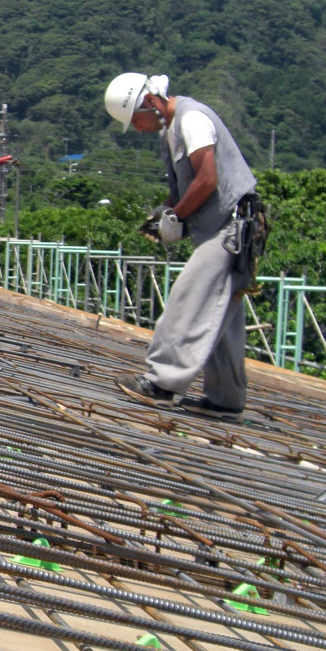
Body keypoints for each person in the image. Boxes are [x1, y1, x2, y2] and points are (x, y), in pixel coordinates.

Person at [105, 72, 266, 420]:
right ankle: (226, 400)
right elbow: (185, 187)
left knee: (188, 298)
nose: (139, 129)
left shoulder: (192, 120)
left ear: (149, 103)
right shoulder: (171, 130)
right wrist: (164, 213)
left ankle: (161, 383)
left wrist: (176, 217)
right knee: (220, 316)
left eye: (136, 121)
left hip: (231, 229)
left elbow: (208, 180)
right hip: (225, 229)